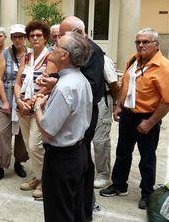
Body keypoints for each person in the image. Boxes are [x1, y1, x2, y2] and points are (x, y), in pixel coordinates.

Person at [100, 28, 169, 210]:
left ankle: (147, 193)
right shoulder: (134, 59)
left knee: (147, 157)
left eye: (145, 42)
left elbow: (168, 100)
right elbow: (126, 85)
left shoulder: (163, 67)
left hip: (148, 117)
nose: (141, 45)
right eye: (138, 42)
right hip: (128, 115)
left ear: (156, 45)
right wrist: (118, 106)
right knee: (123, 152)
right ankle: (119, 185)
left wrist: (150, 122)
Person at [35, 31, 92, 222]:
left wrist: (37, 107)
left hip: (62, 160)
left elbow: (47, 131)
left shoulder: (65, 86)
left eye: (56, 45)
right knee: (75, 211)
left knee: (59, 214)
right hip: (78, 154)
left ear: (65, 55)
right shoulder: (80, 80)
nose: (52, 48)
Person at [56, 16, 104, 220]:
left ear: (76, 32)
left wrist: (60, 86)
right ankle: (80, 203)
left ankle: (84, 205)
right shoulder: (80, 47)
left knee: (81, 155)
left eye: (64, 34)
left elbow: (91, 86)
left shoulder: (93, 51)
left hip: (85, 112)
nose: (61, 38)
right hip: (75, 109)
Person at [14, 20, 57, 199]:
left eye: (39, 35)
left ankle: (46, 181)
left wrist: (31, 102)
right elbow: (18, 82)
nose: (35, 38)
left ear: (45, 37)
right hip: (23, 107)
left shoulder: (51, 57)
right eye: (32, 35)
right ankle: (38, 177)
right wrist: (18, 100)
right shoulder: (26, 57)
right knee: (29, 147)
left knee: (36, 146)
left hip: (39, 108)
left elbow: (49, 86)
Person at [0, 24, 29, 185]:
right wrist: (4, 101)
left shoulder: (30, 54)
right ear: (11, 38)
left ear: (24, 38)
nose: (18, 39)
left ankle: (19, 162)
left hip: (24, 100)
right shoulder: (5, 53)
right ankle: (0, 167)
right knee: (2, 134)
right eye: (15, 37)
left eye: (20, 36)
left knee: (21, 135)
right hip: (6, 98)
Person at [93, 54, 120, 189]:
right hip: (85, 102)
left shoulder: (102, 59)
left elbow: (114, 84)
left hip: (102, 100)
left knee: (100, 140)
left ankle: (103, 174)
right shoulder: (76, 56)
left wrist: (116, 104)